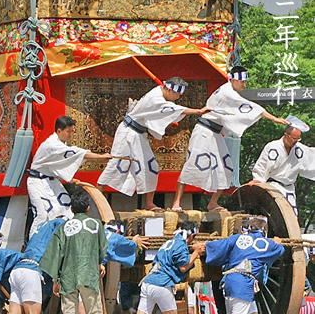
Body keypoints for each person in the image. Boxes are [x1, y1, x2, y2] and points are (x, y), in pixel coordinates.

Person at [172, 66, 288, 212]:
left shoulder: (228, 91)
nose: (244, 85)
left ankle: (212, 203)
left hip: (214, 134)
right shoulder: (227, 92)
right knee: (193, 164)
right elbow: (251, 107)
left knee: (226, 167)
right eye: (241, 82)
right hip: (204, 132)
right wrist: (274, 118)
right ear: (232, 80)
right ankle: (176, 202)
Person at [39, 221, 150, 314]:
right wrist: (135, 241)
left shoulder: (86, 235)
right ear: (117, 231)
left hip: (69, 275)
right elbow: (129, 248)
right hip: (86, 278)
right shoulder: (113, 237)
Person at [98, 78, 208, 211]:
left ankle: (149, 203)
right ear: (169, 90)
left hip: (138, 134)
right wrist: (197, 111)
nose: (177, 98)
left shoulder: (159, 96)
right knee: (116, 164)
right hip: (127, 133)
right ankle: (97, 198)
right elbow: (171, 109)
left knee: (151, 166)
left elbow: (153, 115)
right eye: (177, 95)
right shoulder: (155, 98)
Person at [39, 190, 123, 314]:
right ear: (87, 208)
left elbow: (56, 254)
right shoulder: (95, 224)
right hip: (88, 274)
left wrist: (55, 278)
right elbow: (102, 248)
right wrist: (99, 263)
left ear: (72, 208)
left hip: (68, 276)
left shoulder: (64, 227)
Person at [113, 221, 202, 314]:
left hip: (148, 282)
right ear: (191, 235)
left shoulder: (169, 242)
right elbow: (183, 266)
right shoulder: (180, 245)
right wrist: (196, 252)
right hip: (162, 283)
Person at [203, 216, 284, 314]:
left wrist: (204, 246)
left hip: (229, 281)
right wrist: (277, 242)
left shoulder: (236, 238)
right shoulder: (264, 242)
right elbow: (279, 250)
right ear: (264, 230)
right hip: (243, 282)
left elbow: (219, 246)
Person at [27, 116, 112, 236]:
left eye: (72, 131)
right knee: (42, 214)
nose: (70, 134)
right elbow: (75, 152)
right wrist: (100, 156)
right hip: (37, 182)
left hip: (52, 182)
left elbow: (54, 165)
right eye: (68, 131)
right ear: (59, 131)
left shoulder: (60, 143)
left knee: (65, 208)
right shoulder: (51, 145)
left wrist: (68, 179)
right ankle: (33, 245)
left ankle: (63, 240)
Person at [250, 117, 315, 217]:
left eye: (298, 139)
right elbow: (262, 165)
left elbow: (311, 157)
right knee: (274, 215)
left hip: (289, 187)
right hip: (273, 185)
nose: (295, 142)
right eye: (293, 139)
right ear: (286, 135)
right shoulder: (272, 147)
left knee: (292, 216)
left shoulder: (299, 149)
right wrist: (257, 179)